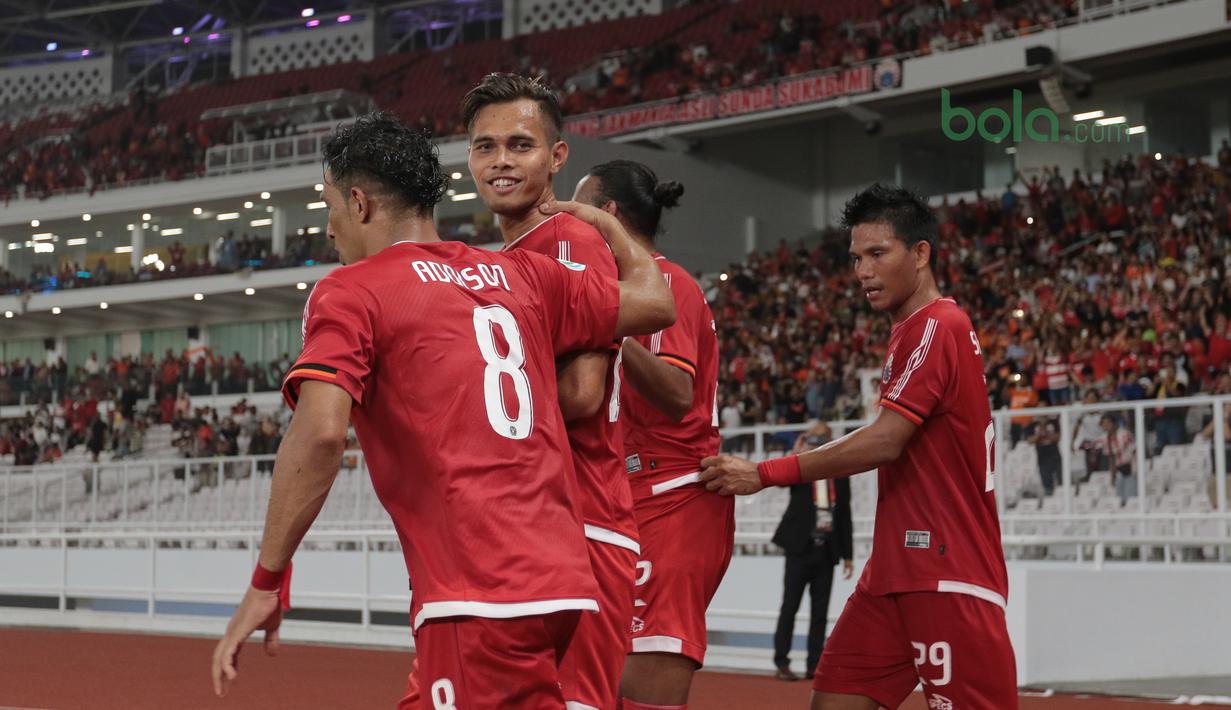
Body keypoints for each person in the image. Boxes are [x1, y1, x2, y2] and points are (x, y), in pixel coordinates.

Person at [209, 112, 676, 709]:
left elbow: (321, 434)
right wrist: (609, 231)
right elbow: (654, 303)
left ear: (359, 203)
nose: (328, 230)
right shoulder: (518, 272)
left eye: (328, 207)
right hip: (562, 580)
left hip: (478, 590)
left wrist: (267, 580)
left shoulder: (351, 290)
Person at [700, 183, 1017, 710]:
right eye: (855, 258)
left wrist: (763, 473)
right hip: (894, 573)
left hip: (945, 571)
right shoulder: (911, 331)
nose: (862, 270)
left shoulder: (938, 324)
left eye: (877, 254)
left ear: (920, 254)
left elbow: (886, 440)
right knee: (833, 701)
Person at [463, 72, 640, 710]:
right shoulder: (509, 255)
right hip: (548, 524)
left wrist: (479, 416)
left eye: (520, 144)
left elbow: (585, 392)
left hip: (584, 521)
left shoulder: (567, 239)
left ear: (557, 156)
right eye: (485, 147)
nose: (502, 161)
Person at [574, 159, 730, 709]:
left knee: (642, 693)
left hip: (673, 497)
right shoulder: (626, 286)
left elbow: (676, 392)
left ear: (608, 214)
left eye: (579, 205)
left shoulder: (662, 281)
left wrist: (610, 330)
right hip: (636, 498)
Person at [772, 420, 854, 682]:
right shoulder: (800, 466)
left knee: (820, 613)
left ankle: (814, 665)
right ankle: (782, 662)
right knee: (790, 607)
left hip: (826, 552)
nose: (818, 443)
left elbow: (845, 516)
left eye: (823, 438)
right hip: (798, 548)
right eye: (814, 438)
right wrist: (796, 452)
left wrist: (848, 555)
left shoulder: (841, 473)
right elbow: (780, 480)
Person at [1099, 414, 1136, 505]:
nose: (1106, 426)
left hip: (1131, 469)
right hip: (1119, 470)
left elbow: (1135, 451)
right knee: (1119, 499)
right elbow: (1111, 458)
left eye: (1108, 423)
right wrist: (1112, 476)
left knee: (1130, 499)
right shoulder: (1104, 439)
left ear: (1114, 424)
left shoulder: (1125, 434)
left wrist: (1136, 470)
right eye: (1103, 424)